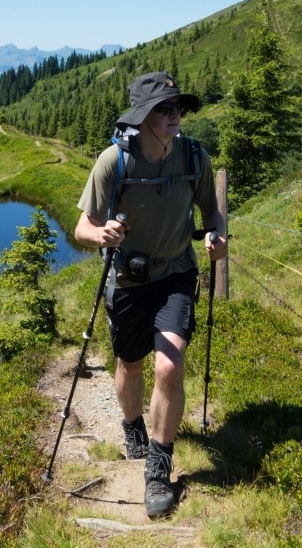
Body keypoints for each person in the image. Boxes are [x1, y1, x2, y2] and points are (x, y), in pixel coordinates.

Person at [74, 71, 227, 518]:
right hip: (128, 279)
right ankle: (132, 425)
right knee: (130, 362)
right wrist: (101, 235)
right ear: (142, 118)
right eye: (163, 107)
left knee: (169, 365)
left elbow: (213, 213)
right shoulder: (113, 162)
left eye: (177, 105)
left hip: (176, 273)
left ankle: (158, 468)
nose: (174, 113)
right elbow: (82, 226)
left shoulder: (195, 156)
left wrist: (218, 236)